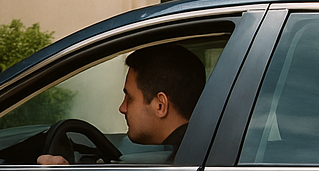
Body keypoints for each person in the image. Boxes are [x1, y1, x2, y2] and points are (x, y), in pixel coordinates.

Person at [38, 44, 205, 164]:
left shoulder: (185, 166)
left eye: (129, 98)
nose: (122, 108)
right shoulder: (199, 154)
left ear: (160, 105)